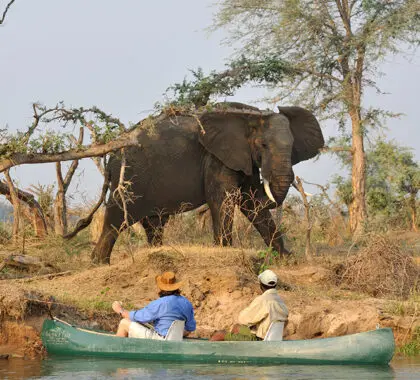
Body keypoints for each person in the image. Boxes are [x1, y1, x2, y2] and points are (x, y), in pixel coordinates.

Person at [112, 271, 196, 339]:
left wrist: (120, 310)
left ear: (161, 287)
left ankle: (115, 350)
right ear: (176, 287)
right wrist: (173, 335)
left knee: (124, 323)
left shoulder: (160, 303)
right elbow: (190, 328)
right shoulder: (187, 303)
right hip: (175, 340)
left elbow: (138, 317)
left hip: (160, 340)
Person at [237, 269, 288, 340]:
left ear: (261, 285)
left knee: (228, 331)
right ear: (275, 285)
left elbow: (242, 319)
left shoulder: (262, 300)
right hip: (274, 340)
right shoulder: (281, 302)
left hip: (260, 341)